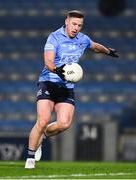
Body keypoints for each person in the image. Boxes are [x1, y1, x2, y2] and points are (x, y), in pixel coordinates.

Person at [25, 10, 119, 169]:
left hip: (66, 87)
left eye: (80, 25)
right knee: (42, 121)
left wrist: (108, 51)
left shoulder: (83, 39)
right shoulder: (54, 37)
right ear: (67, 22)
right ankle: (30, 159)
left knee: (64, 124)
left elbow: (95, 47)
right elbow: (48, 60)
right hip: (48, 82)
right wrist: (56, 70)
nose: (76, 28)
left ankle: (43, 136)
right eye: (74, 24)